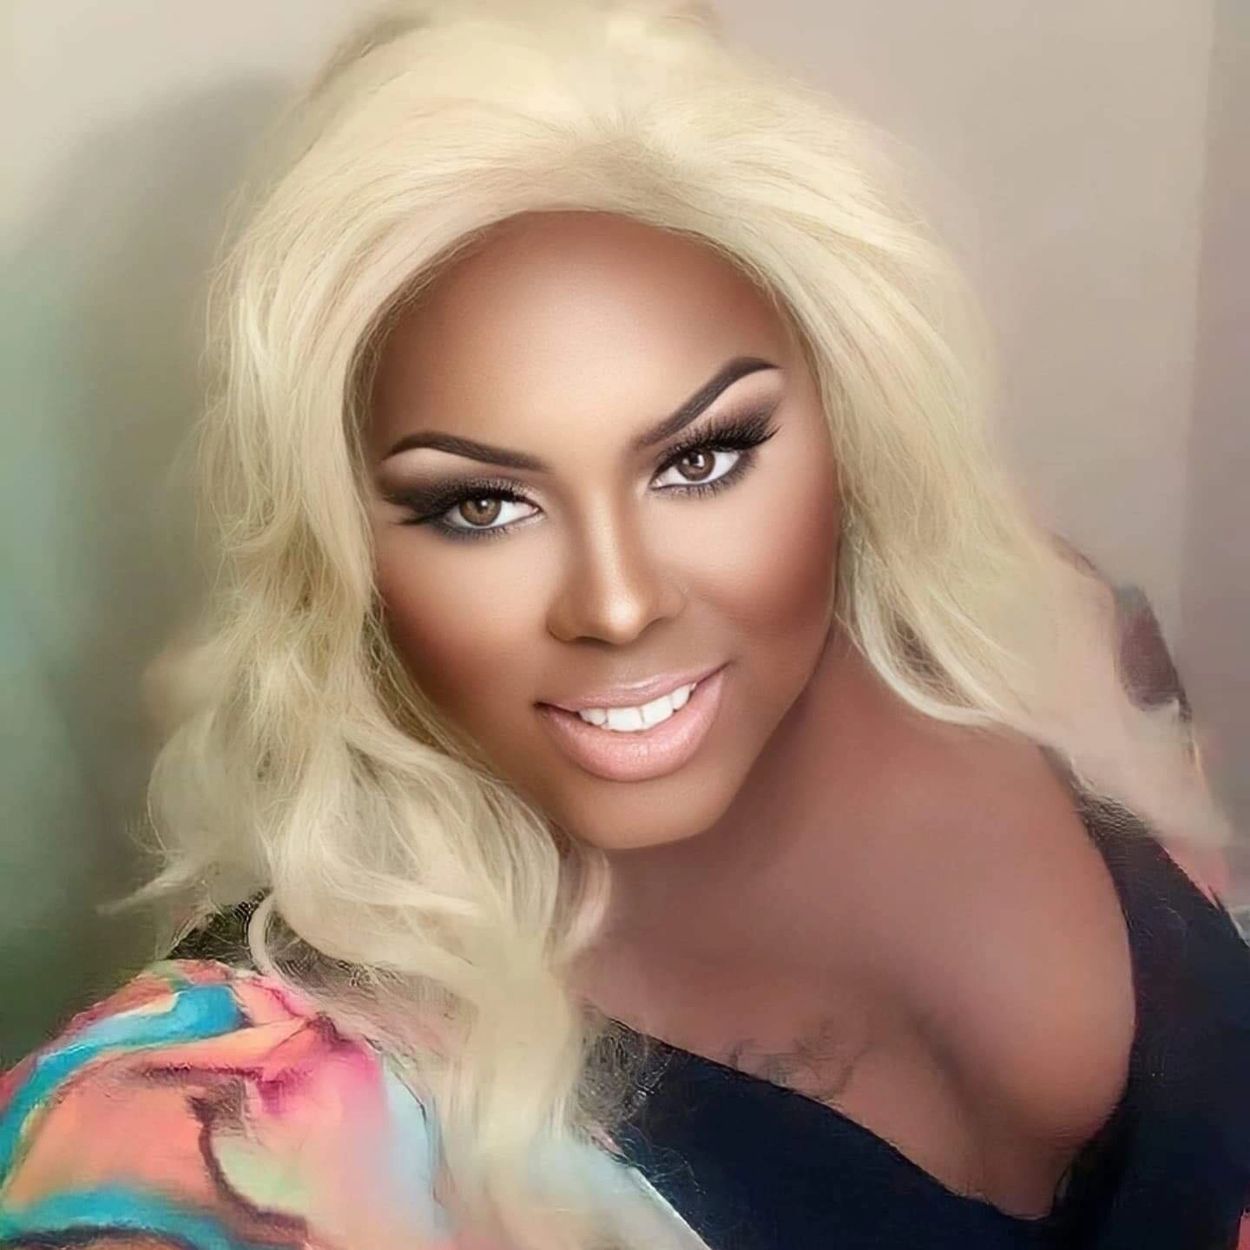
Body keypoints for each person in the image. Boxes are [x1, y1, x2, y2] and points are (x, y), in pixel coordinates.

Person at [2, 1, 1247, 1247]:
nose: (615, 601)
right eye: (480, 504)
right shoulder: (212, 1125)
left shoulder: (1051, 636)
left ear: (851, 418)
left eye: (700, 459)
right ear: (342, 552)